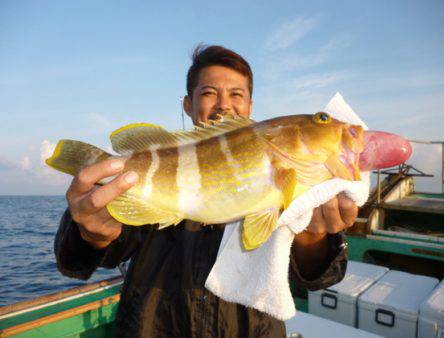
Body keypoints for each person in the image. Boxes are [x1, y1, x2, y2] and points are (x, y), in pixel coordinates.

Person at [55, 45, 358, 337]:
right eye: (209, 93)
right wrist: (91, 234)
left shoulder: (307, 172)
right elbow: (76, 261)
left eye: (236, 94)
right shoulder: (156, 166)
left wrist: (313, 237)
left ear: (250, 106)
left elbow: (320, 278)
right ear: (189, 104)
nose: (224, 105)